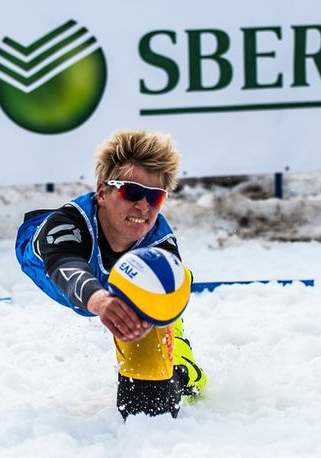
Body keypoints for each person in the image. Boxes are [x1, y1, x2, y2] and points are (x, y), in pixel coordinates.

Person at [15, 129, 206, 419]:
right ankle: (172, 343)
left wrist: (155, 316)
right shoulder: (66, 225)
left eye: (155, 197)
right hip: (49, 264)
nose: (143, 205)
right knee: (112, 285)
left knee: (149, 409)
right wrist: (101, 301)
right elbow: (65, 266)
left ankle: (181, 363)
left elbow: (169, 291)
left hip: (123, 281)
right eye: (132, 192)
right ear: (102, 192)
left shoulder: (159, 242)